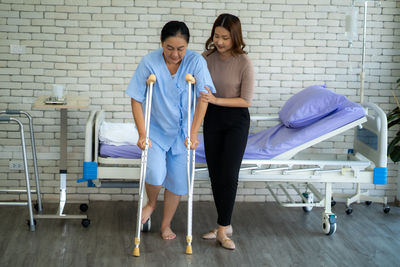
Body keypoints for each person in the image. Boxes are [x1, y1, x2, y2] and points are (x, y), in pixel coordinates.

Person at [126, 21, 215, 240]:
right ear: (161, 44)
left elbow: (203, 98)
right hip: (156, 130)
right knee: (155, 173)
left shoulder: (196, 62)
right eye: (169, 48)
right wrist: (141, 133)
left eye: (180, 49)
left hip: (183, 132)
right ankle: (152, 203)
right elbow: (137, 99)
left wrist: (194, 133)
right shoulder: (149, 62)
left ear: (187, 46)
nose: (175, 54)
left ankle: (166, 225)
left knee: (177, 180)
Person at [200, 14, 254, 250]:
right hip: (211, 118)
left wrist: (216, 100)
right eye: (216, 36)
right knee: (215, 174)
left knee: (229, 174)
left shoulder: (244, 62)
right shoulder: (206, 58)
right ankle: (224, 224)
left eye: (225, 37)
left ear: (235, 37)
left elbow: (246, 101)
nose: (219, 42)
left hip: (236, 121)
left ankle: (223, 229)